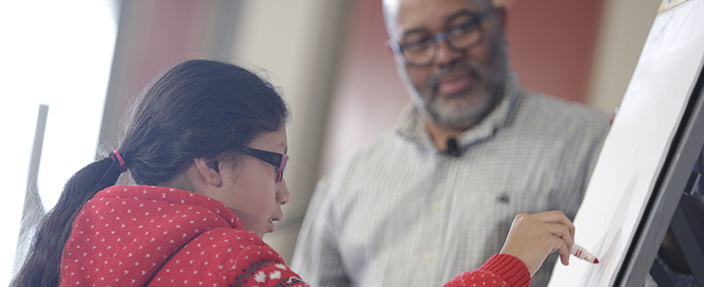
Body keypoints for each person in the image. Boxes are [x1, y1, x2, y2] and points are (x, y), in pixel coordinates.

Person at [11, 59, 576, 287]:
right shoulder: (223, 265)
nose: (285, 191)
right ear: (211, 163)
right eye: (275, 163)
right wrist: (512, 263)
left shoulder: (92, 235)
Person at [290, 0, 611, 286]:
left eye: (461, 28)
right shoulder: (346, 180)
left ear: (499, 21)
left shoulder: (592, 141)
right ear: (396, 54)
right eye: (417, 43)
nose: (444, 55)